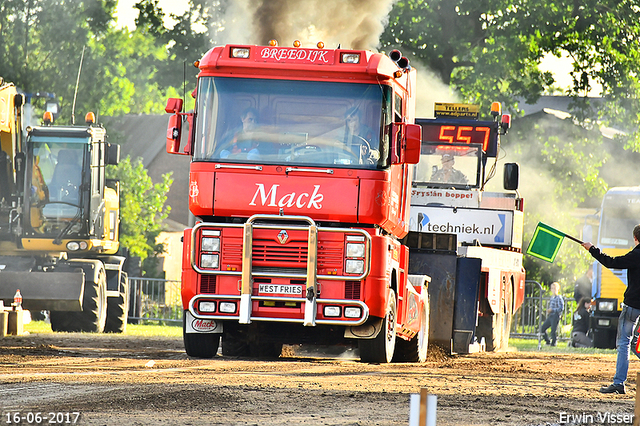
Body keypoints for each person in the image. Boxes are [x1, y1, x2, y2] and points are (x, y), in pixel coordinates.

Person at [582, 224, 640, 394]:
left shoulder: (636, 254)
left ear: (635, 238)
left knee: (624, 343)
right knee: (636, 344)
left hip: (633, 306)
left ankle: (619, 382)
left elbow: (612, 263)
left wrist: (592, 249)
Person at [540, 281, 564, 346]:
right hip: (550, 316)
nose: (553, 290)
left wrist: (552, 310)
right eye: (552, 288)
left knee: (553, 330)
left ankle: (553, 343)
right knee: (542, 328)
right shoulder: (551, 298)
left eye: (555, 288)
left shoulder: (559, 298)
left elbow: (561, 308)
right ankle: (547, 341)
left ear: (558, 289)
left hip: (555, 316)